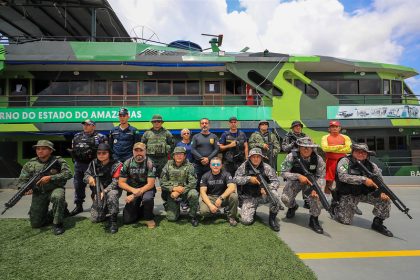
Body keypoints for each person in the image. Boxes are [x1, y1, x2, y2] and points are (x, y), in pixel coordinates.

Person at [333, 143, 393, 237]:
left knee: (385, 200)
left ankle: (378, 223)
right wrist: (363, 180)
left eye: (364, 152)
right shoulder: (345, 161)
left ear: (367, 154)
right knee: (345, 221)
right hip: (349, 194)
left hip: (364, 193)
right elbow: (342, 176)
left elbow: (380, 181)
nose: (361, 154)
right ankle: (336, 206)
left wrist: (382, 192)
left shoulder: (372, 166)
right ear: (353, 152)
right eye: (358, 152)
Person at [18, 140, 72, 235]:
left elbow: (68, 174)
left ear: (50, 150)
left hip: (55, 189)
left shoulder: (58, 161)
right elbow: (22, 181)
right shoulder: (31, 163)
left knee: (58, 197)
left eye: (43, 149)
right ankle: (62, 210)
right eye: (38, 149)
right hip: (39, 192)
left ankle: (57, 223)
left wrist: (51, 178)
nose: (40, 151)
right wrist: (25, 189)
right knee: (36, 224)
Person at [280, 137, 326, 234]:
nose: (306, 149)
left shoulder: (318, 159)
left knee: (318, 198)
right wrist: (298, 176)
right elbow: (283, 173)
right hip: (295, 181)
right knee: (285, 199)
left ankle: (314, 219)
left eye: (309, 147)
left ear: (312, 148)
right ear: (299, 147)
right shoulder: (291, 156)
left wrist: (317, 188)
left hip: (312, 182)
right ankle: (292, 207)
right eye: (304, 147)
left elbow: (321, 177)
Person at [234, 148, 281, 232]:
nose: (256, 159)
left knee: (275, 196)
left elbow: (276, 181)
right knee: (246, 221)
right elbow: (235, 179)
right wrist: (248, 179)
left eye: (258, 157)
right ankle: (253, 210)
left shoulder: (266, 167)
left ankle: (272, 219)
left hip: (262, 195)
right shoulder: (244, 166)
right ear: (250, 158)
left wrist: (267, 188)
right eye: (253, 157)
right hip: (249, 196)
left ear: (261, 158)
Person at [70, 119, 107, 216]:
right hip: (79, 165)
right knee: (78, 186)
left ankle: (97, 204)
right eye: (84, 125)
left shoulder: (100, 137)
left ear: (94, 126)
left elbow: (105, 152)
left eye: (88, 125)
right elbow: (73, 149)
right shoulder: (77, 136)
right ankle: (78, 205)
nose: (85, 126)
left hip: (93, 165)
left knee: (95, 186)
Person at [83, 143, 123, 234]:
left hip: (112, 189)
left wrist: (104, 192)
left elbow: (116, 182)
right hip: (98, 191)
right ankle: (106, 210)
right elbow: (86, 175)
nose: (101, 155)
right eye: (99, 153)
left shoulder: (117, 164)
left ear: (109, 153)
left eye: (104, 153)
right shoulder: (93, 163)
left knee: (112, 195)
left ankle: (113, 221)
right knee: (95, 218)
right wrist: (89, 178)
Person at [118, 142, 157, 229]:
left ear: (145, 151)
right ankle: (143, 209)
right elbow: (121, 183)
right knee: (127, 220)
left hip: (147, 189)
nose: (138, 153)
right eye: (136, 151)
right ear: (133, 151)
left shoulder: (150, 163)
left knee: (147, 199)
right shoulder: (127, 163)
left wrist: (134, 194)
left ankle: (149, 217)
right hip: (133, 189)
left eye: (141, 150)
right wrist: (133, 191)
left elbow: (150, 184)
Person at [160, 147, 199, 226]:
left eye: (181, 154)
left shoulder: (189, 166)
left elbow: (193, 183)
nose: (179, 156)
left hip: (186, 192)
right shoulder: (168, 165)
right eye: (177, 154)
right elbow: (162, 182)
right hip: (172, 193)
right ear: (173, 156)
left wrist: (180, 191)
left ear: (184, 156)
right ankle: (169, 205)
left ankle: (192, 216)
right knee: (172, 218)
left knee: (194, 193)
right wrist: (174, 189)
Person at [199, 157, 238, 226]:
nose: (216, 166)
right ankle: (216, 211)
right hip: (211, 197)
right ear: (210, 165)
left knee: (234, 196)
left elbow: (232, 187)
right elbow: (202, 192)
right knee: (203, 212)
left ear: (221, 165)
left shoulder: (226, 174)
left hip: (223, 197)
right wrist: (210, 205)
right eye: (213, 164)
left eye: (218, 164)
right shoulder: (205, 176)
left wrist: (221, 198)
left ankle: (231, 217)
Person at [281, 120, 309, 208]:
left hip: (304, 160)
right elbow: (284, 148)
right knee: (291, 183)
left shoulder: (305, 136)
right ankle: (292, 204)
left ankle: (307, 200)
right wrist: (293, 143)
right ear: (293, 128)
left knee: (306, 180)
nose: (298, 127)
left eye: (299, 126)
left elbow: (311, 146)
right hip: (292, 160)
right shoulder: (288, 136)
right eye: (296, 126)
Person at [321, 120, 352, 195]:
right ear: (329, 129)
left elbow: (349, 149)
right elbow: (325, 148)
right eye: (332, 127)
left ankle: (341, 198)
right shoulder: (325, 137)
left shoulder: (346, 137)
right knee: (329, 181)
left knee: (343, 180)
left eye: (336, 127)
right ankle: (326, 198)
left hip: (343, 162)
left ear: (339, 128)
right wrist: (341, 146)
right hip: (330, 161)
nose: (334, 128)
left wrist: (332, 148)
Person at [191, 118, 219, 189]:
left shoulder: (214, 136)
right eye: (202, 123)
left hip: (210, 165)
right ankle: (196, 199)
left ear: (209, 125)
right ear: (200, 125)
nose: (204, 125)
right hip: (198, 165)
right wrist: (202, 158)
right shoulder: (195, 137)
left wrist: (208, 158)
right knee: (196, 184)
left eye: (206, 123)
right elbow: (193, 149)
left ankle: (209, 199)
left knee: (210, 183)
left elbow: (216, 149)